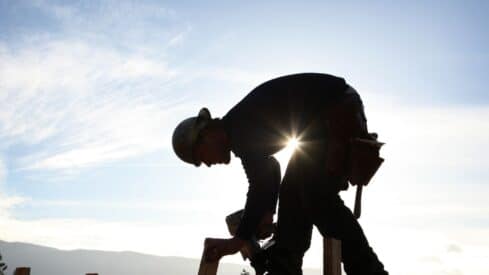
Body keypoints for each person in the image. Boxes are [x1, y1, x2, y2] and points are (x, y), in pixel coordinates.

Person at [172, 73, 388, 275]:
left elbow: (259, 185)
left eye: (201, 157)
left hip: (336, 109)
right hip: (323, 120)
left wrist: (237, 241)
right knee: (294, 194)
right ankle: (284, 265)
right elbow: (270, 168)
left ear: (206, 135)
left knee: (315, 194)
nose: (208, 164)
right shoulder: (239, 130)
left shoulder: (240, 129)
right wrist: (267, 211)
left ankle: (367, 271)